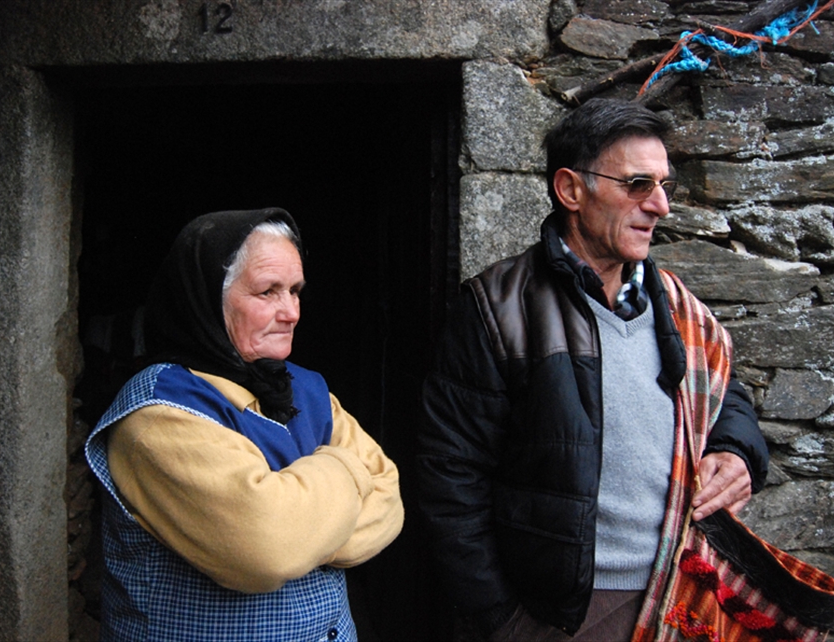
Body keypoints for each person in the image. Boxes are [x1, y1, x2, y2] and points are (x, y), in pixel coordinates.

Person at [417, 99, 768, 641]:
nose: (661, 207)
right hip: (560, 615)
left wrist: (738, 450)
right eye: (637, 185)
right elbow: (450, 476)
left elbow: (724, 399)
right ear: (571, 190)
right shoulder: (496, 308)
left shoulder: (679, 308)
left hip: (682, 590)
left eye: (664, 186)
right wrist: (501, 620)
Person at [85, 209, 404, 641]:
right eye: (267, 291)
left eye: (295, 290)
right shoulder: (157, 415)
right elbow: (267, 547)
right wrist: (344, 471)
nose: (291, 311)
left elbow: (390, 502)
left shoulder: (304, 390)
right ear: (205, 299)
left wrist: (303, 529)